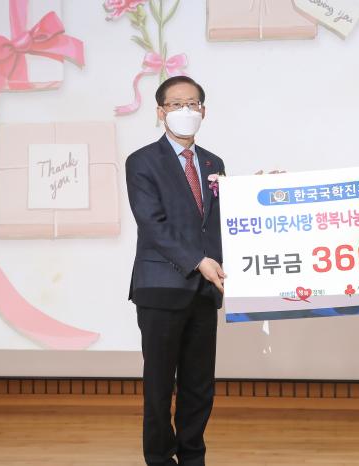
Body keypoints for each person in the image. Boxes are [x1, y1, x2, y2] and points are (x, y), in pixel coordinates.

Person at [125, 75, 226, 466]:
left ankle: (193, 457)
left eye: (193, 104)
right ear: (160, 112)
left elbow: (220, 219)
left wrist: (260, 194)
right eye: (176, 104)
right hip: (161, 287)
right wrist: (198, 261)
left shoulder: (214, 163)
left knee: (199, 386)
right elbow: (153, 224)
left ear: (204, 111)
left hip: (204, 290)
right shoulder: (142, 161)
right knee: (159, 385)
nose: (186, 110)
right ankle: (159, 459)